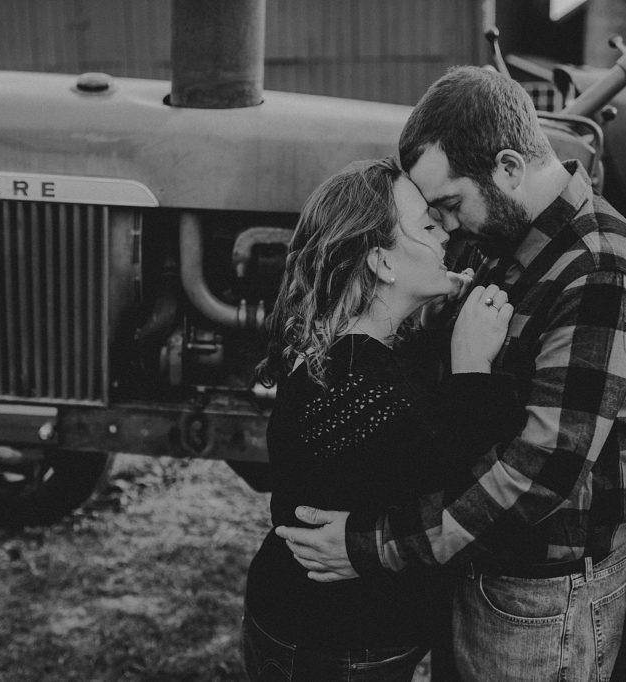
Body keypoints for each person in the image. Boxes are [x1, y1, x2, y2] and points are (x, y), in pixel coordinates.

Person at [276, 66, 626, 680]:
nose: (448, 226)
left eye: (451, 204)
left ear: (510, 168)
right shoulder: (511, 243)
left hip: (538, 596)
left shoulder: (599, 275)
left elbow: (539, 474)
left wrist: (374, 544)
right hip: (473, 563)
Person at [243, 156, 520, 681]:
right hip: (332, 642)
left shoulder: (357, 355)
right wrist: (472, 366)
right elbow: (445, 468)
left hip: (323, 629)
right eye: (427, 226)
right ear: (382, 264)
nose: (446, 235)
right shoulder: (353, 386)